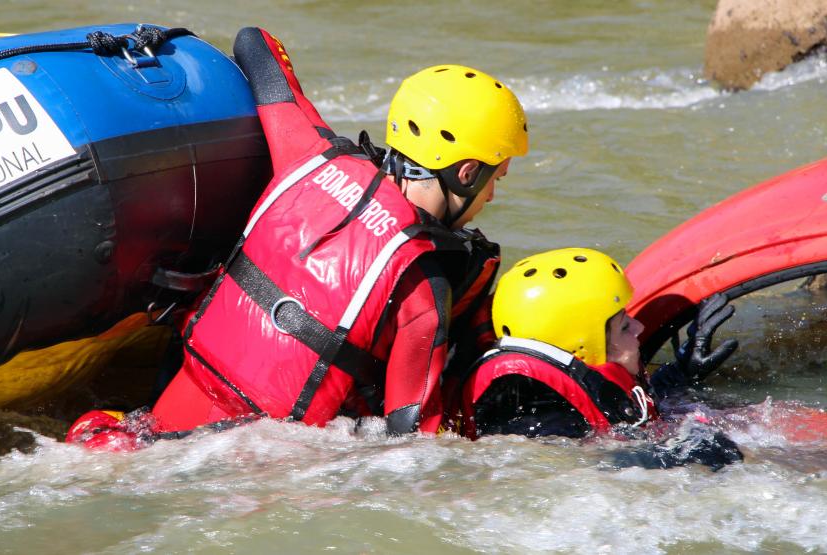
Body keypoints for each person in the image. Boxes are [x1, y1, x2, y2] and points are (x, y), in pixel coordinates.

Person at [66, 27, 527, 447]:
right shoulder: (424, 290)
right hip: (248, 469)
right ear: (466, 172)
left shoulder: (308, 154)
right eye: (495, 179)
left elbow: (255, 46)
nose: (490, 195)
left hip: (164, 413)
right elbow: (413, 445)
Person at [443, 247, 744, 469]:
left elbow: (617, 409)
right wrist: (684, 451)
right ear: (582, 345)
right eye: (624, 326)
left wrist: (681, 372)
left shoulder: (562, 390)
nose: (639, 328)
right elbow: (578, 466)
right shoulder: (530, 409)